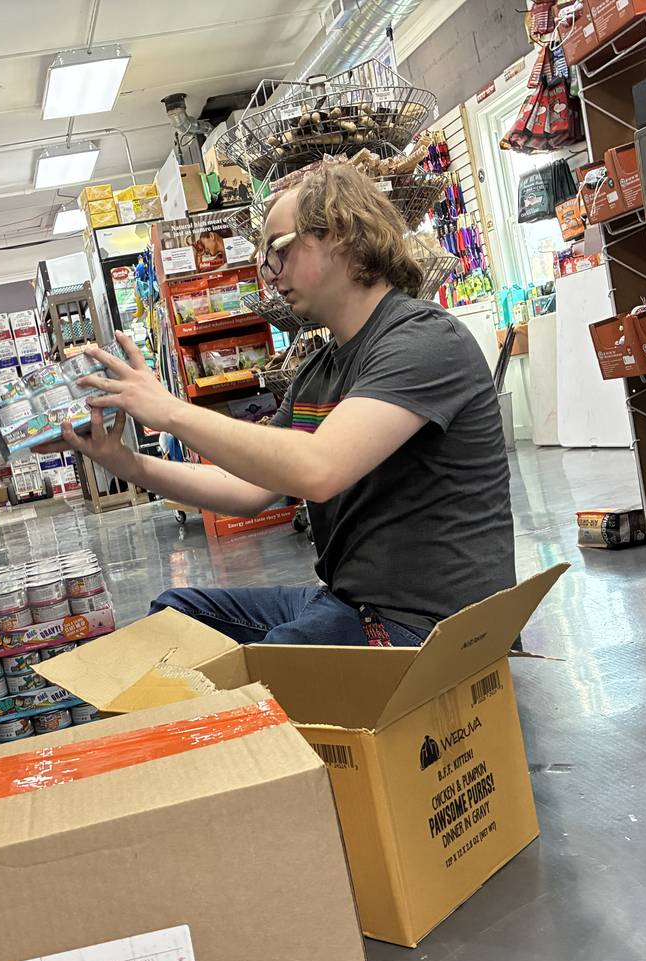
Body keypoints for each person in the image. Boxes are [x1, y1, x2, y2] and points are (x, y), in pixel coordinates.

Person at [60, 161, 514, 646]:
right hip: (351, 605)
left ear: (341, 233)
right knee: (175, 616)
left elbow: (318, 469)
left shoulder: (424, 340)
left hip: (433, 628)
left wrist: (169, 410)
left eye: (279, 251)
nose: (271, 275)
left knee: (266, 668)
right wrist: (125, 462)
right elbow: (247, 491)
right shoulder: (320, 371)